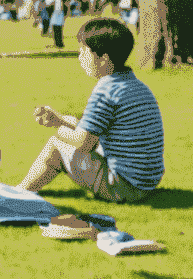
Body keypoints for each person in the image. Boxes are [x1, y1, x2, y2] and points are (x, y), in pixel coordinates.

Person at [18, 16, 165, 202]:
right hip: (147, 182)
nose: (80, 57)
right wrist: (60, 120)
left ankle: (20, 192)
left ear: (103, 59)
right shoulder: (135, 85)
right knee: (71, 124)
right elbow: (93, 133)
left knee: (57, 144)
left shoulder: (105, 90)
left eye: (83, 51)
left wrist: (59, 129)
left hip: (124, 186)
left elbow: (85, 144)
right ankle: (23, 190)